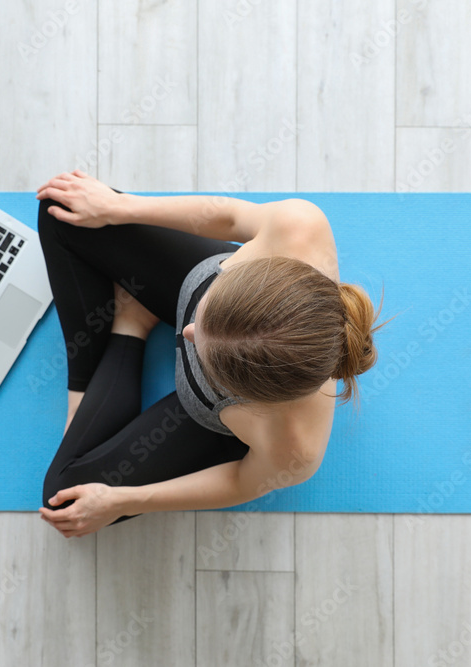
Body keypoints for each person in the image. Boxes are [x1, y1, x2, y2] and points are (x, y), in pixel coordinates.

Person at [35, 170, 387, 538]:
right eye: (202, 314)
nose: (185, 333)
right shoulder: (299, 226)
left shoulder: (292, 447)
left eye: (204, 357)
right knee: (61, 206)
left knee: (63, 499)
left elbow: (239, 480)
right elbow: (231, 218)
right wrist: (120, 206)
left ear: (253, 398)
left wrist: (123, 501)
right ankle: (88, 381)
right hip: (201, 287)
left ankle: (130, 326)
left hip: (208, 416)